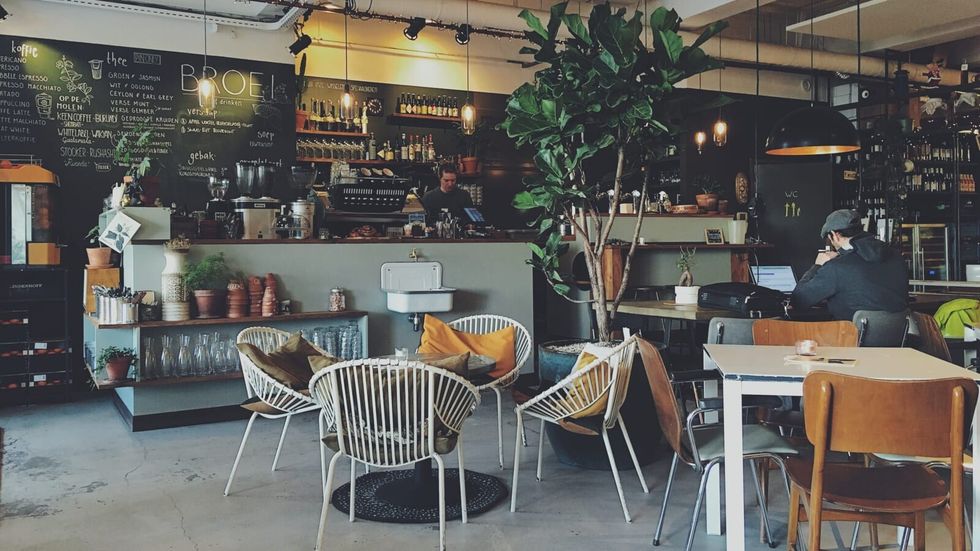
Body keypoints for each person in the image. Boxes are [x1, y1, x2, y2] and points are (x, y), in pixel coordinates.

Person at [791, 209, 908, 320]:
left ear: (835, 235)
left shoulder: (836, 267)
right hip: (899, 337)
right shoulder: (896, 257)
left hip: (850, 336)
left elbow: (799, 300)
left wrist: (818, 265)